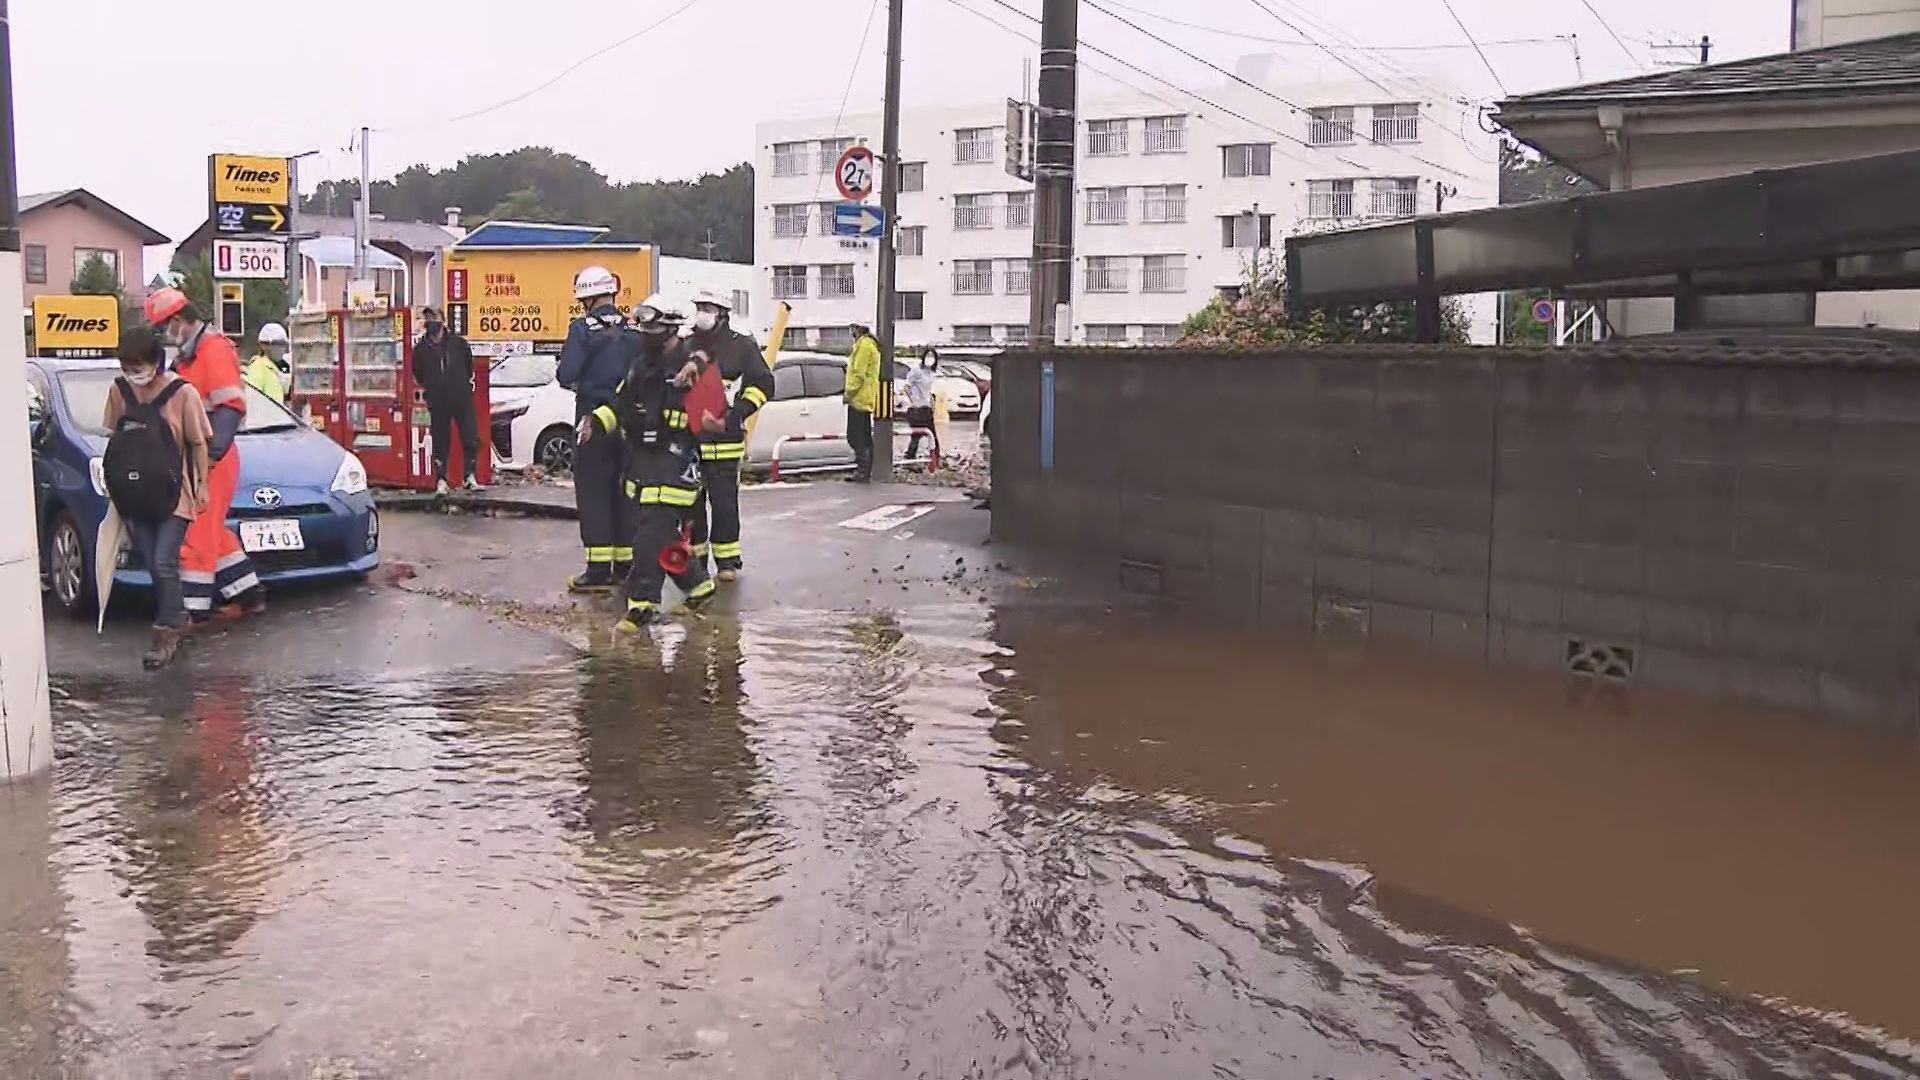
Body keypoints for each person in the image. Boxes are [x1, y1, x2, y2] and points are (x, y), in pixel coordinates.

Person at [578, 294, 718, 631]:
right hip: (645, 462)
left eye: (653, 327)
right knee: (658, 535)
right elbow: (620, 404)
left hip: (678, 463)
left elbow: (715, 416)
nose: (645, 333)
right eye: (643, 327)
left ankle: (641, 605)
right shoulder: (641, 366)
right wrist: (596, 421)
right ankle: (698, 585)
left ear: (670, 329)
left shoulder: (693, 365)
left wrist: (707, 416)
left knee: (646, 538)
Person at [145, 287, 265, 622]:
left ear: (180, 320)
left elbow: (229, 408)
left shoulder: (212, 350)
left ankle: (192, 612)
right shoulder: (188, 357)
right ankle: (249, 594)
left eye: (164, 327)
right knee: (213, 532)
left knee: (194, 534)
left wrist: (207, 458)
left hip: (212, 458)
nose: (163, 335)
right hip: (201, 457)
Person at [103, 327, 211, 669]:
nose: (133, 373)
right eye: (127, 366)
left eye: (139, 365)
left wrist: (202, 484)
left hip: (173, 495)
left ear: (155, 361)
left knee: (164, 561)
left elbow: (198, 442)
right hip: (133, 495)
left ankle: (165, 634)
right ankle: (178, 616)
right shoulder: (119, 392)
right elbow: (115, 439)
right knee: (152, 563)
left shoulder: (182, 393)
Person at [556, 266, 641, 592]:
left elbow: (567, 374)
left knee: (593, 491)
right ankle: (625, 565)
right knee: (625, 491)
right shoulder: (633, 330)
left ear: (586, 299)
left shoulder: (582, 330)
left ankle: (597, 569)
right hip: (628, 421)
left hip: (592, 421)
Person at [684, 288, 772, 582]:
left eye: (707, 308)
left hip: (724, 440)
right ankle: (695, 563)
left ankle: (726, 561)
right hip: (690, 442)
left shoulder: (742, 346)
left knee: (724, 505)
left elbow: (763, 384)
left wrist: (738, 413)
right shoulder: (685, 344)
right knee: (691, 506)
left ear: (722, 313)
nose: (702, 313)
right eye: (699, 307)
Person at [411, 306, 481, 494]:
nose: (430, 321)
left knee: (470, 436)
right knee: (441, 440)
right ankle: (441, 479)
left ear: (442, 320)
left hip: (461, 396)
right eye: (427, 318)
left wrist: (462, 384)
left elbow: (469, 367)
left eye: (433, 317)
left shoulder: (458, 344)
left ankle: (469, 476)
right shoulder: (420, 349)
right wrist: (431, 387)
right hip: (437, 399)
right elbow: (418, 373)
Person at [844, 321, 881, 482]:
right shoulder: (867, 345)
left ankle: (863, 469)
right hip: (864, 397)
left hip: (859, 398)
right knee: (863, 435)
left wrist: (849, 393)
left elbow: (858, 374)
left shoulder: (864, 346)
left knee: (855, 435)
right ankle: (864, 469)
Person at [903, 348, 938, 461]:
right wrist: (914, 400)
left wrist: (932, 405)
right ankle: (911, 458)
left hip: (927, 408)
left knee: (931, 436)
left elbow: (930, 391)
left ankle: (934, 460)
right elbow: (907, 387)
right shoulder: (916, 370)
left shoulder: (932, 373)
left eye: (932, 356)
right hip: (916, 409)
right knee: (917, 436)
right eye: (928, 355)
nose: (930, 358)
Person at [245, 322, 289, 404]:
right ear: (264, 346)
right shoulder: (257, 366)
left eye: (284, 345)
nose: (282, 349)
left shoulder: (273, 368)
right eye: (278, 344)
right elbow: (253, 399)